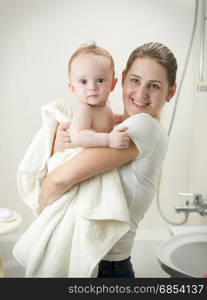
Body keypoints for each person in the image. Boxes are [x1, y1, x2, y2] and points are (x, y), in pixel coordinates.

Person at [39, 42, 177, 278]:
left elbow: (59, 180)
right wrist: (61, 141)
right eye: (135, 80)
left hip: (105, 267)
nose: (141, 93)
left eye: (153, 86)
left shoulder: (142, 126)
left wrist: (42, 212)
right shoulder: (121, 124)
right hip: (107, 264)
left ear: (170, 92)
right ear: (122, 80)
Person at [66, 43, 129, 150]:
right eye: (83, 81)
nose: (92, 87)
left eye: (100, 80)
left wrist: (123, 118)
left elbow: (106, 120)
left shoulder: (105, 104)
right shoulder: (85, 110)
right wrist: (108, 139)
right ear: (73, 89)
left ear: (112, 84)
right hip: (83, 158)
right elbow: (78, 136)